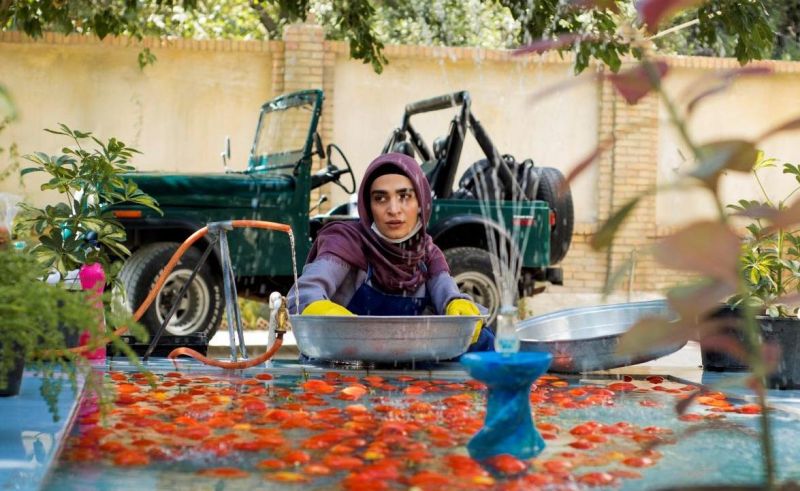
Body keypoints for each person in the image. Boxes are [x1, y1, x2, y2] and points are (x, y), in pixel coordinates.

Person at [288, 152, 495, 352]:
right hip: (345, 362)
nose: (394, 209)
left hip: (408, 362)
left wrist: (456, 303)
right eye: (380, 198)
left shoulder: (427, 254)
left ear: (421, 203)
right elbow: (304, 293)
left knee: (483, 339)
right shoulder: (345, 242)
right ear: (368, 206)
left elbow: (447, 293)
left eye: (404, 196)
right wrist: (320, 310)